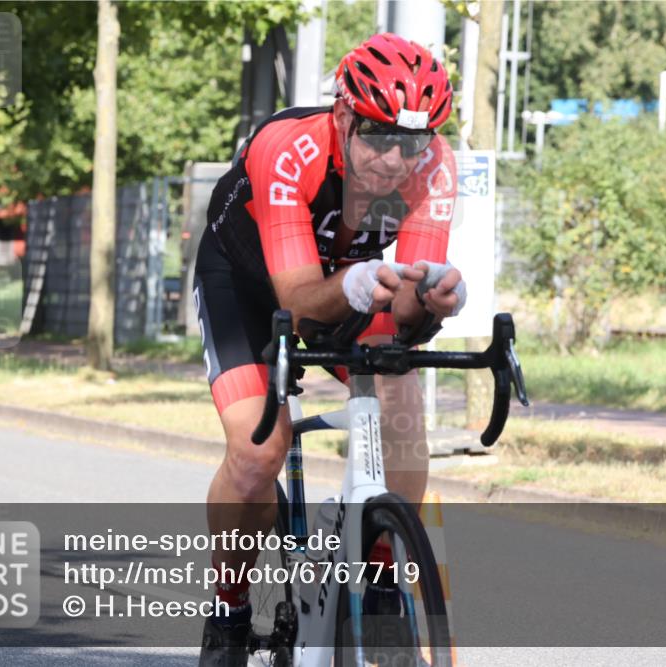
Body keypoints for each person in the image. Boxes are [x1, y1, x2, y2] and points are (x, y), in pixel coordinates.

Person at [196, 32, 466, 665]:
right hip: (248, 284)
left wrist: (433, 299)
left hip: (350, 281)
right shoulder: (289, 149)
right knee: (257, 454)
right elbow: (297, 301)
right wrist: (352, 283)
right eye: (377, 136)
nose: (395, 161)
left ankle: (381, 582)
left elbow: (406, 313)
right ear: (343, 116)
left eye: (411, 143)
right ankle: (230, 611)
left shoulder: (434, 166)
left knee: (403, 413)